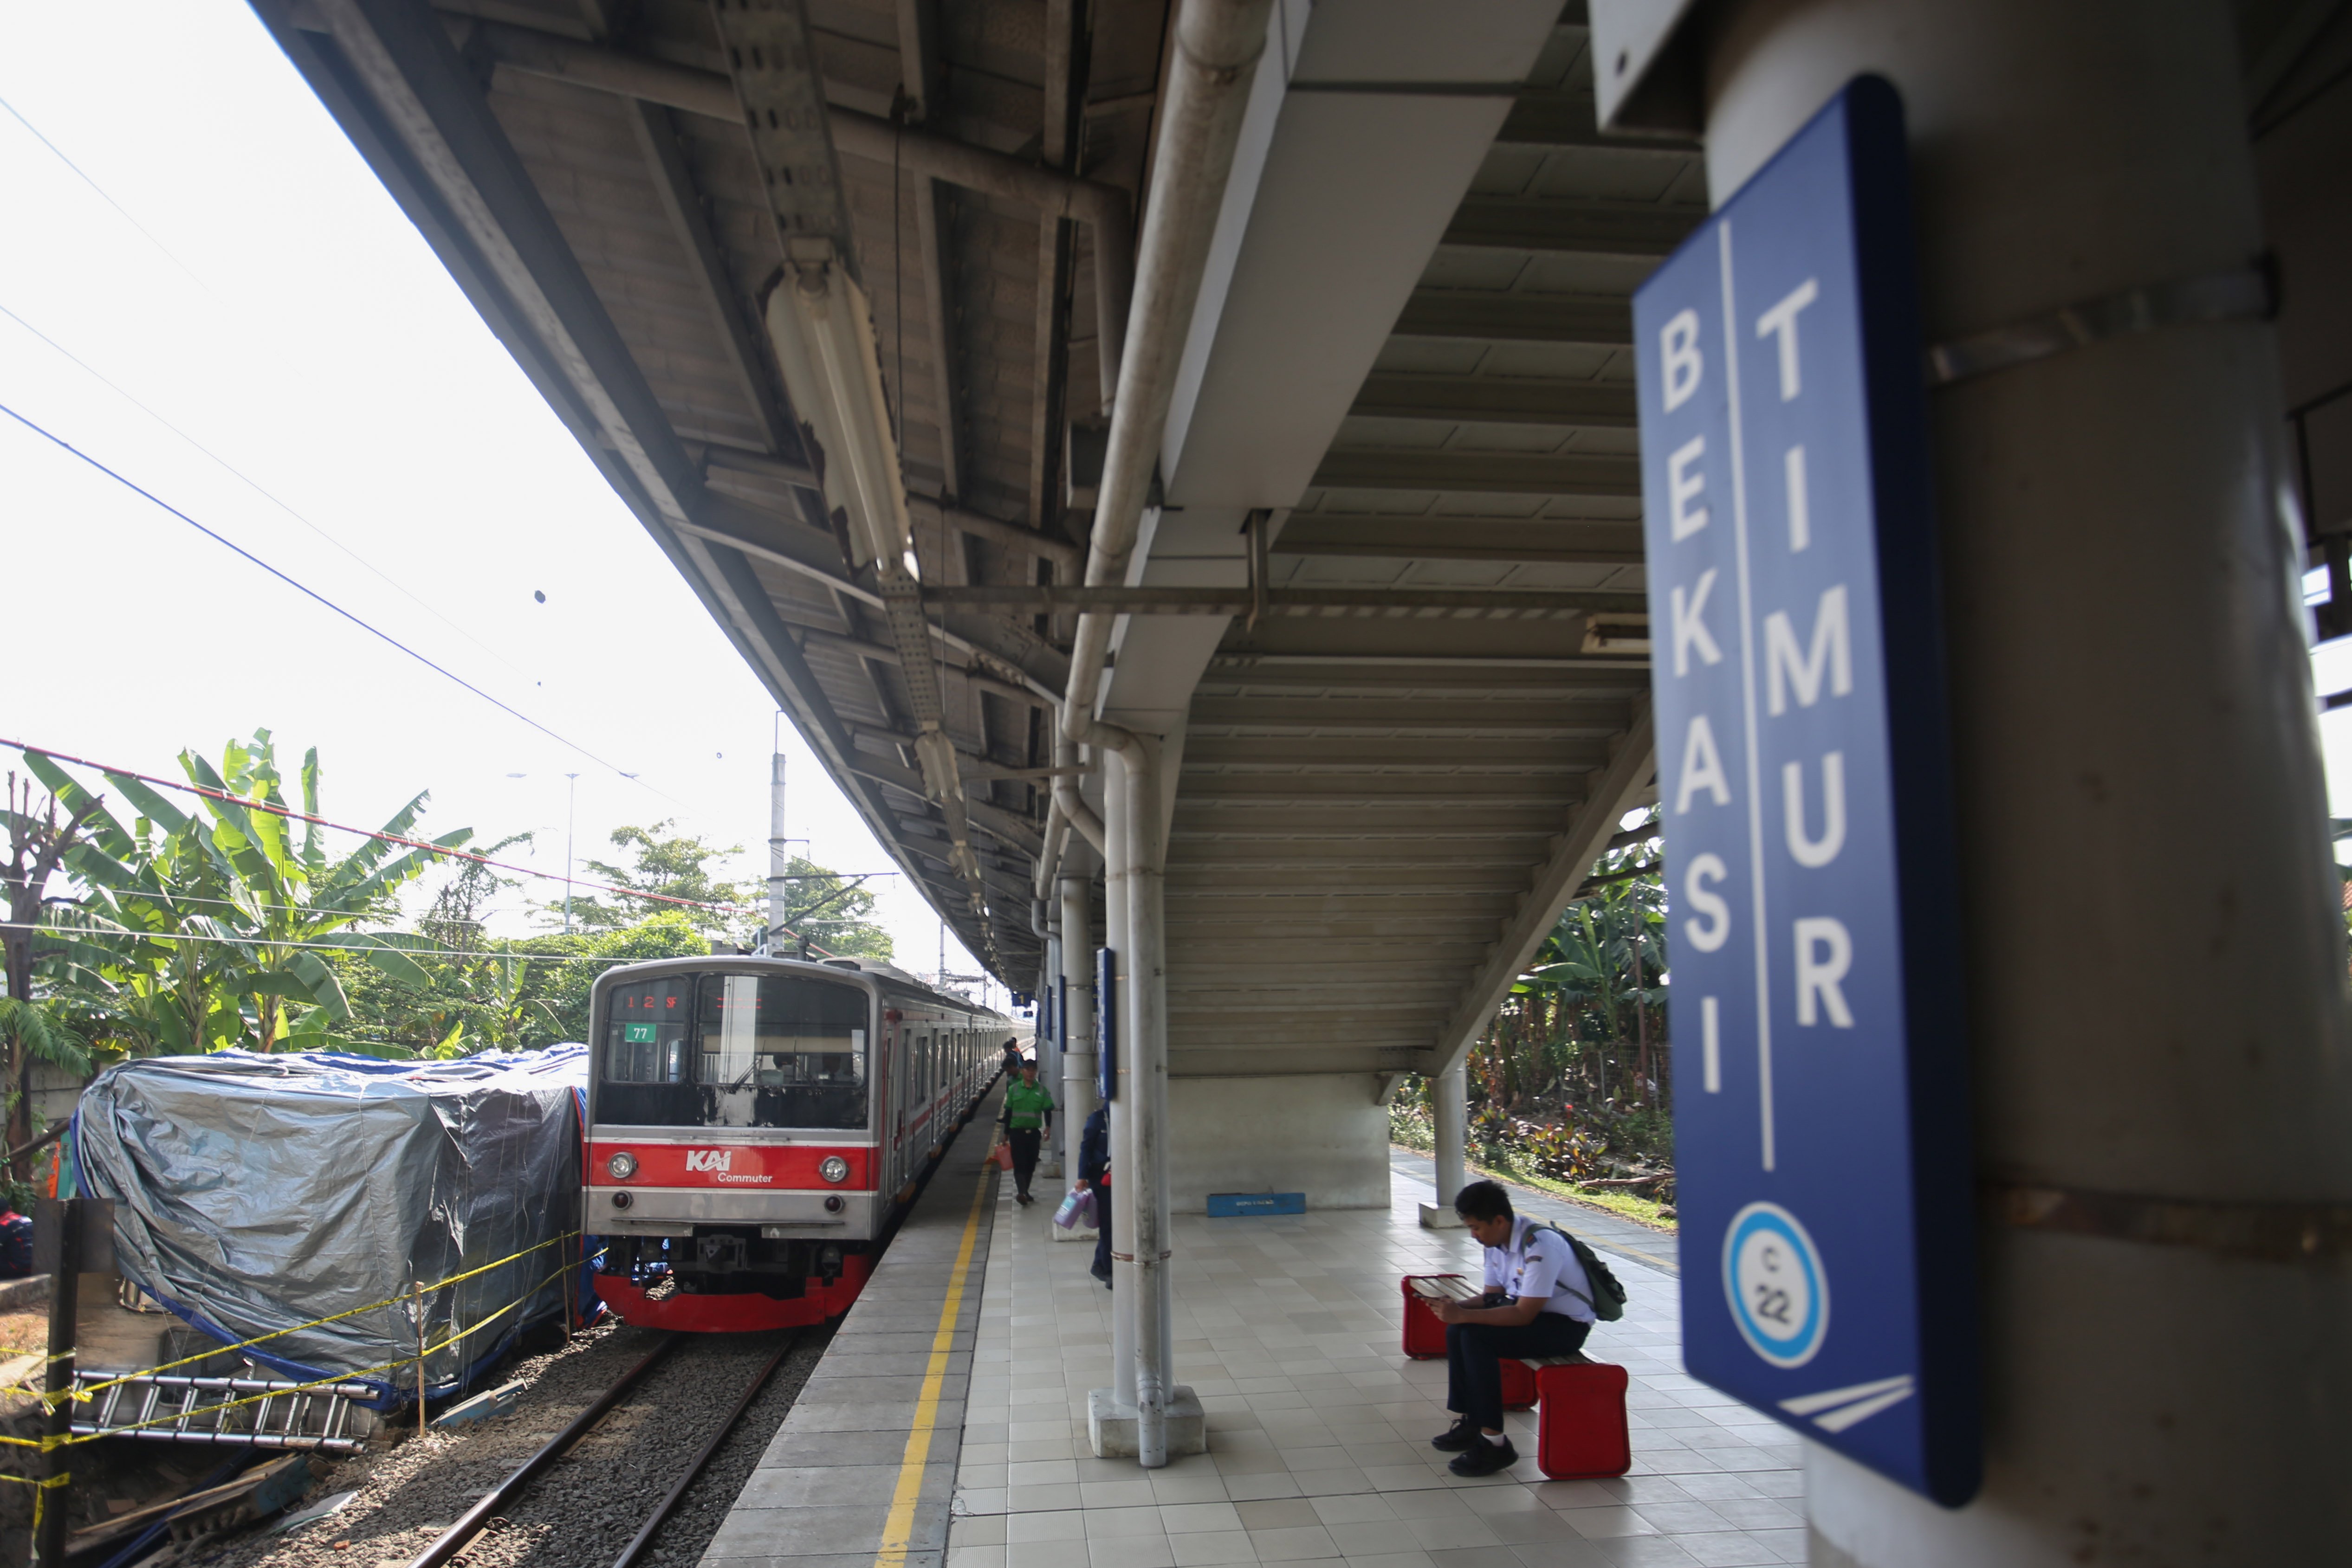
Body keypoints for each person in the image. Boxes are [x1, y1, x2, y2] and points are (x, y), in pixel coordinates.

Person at [1426, 1179, 1597, 1476]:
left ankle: (1495, 1444)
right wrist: (1455, 1307)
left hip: (1566, 1328)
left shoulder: (1540, 1246)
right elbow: (1492, 1298)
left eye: (1476, 1228)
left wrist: (1462, 1316)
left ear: (1500, 1220)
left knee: (1476, 1338)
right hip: (1535, 1317)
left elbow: (1522, 1316)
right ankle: (1473, 1422)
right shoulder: (1494, 1243)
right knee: (1458, 1331)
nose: (1474, 1235)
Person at [999, 1058, 1055, 1206]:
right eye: (1027, 1070)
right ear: (1022, 1071)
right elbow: (1009, 1112)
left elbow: (1048, 1110)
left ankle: (1025, 1191)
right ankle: (1022, 1193)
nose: (1030, 1073)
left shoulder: (1042, 1091)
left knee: (1031, 1164)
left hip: (1034, 1133)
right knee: (1020, 1163)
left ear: (1036, 1072)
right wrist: (1006, 1134)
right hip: (1016, 1133)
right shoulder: (1014, 1089)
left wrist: (1048, 1127)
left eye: (1033, 1070)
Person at [1076, 1103, 1111, 1287]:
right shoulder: (1097, 1119)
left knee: (1115, 1223)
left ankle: (1100, 1263)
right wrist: (1082, 1177)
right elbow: (1086, 1148)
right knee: (1108, 1223)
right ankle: (1107, 1268)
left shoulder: (1131, 1116)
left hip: (1122, 1176)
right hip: (1101, 1178)